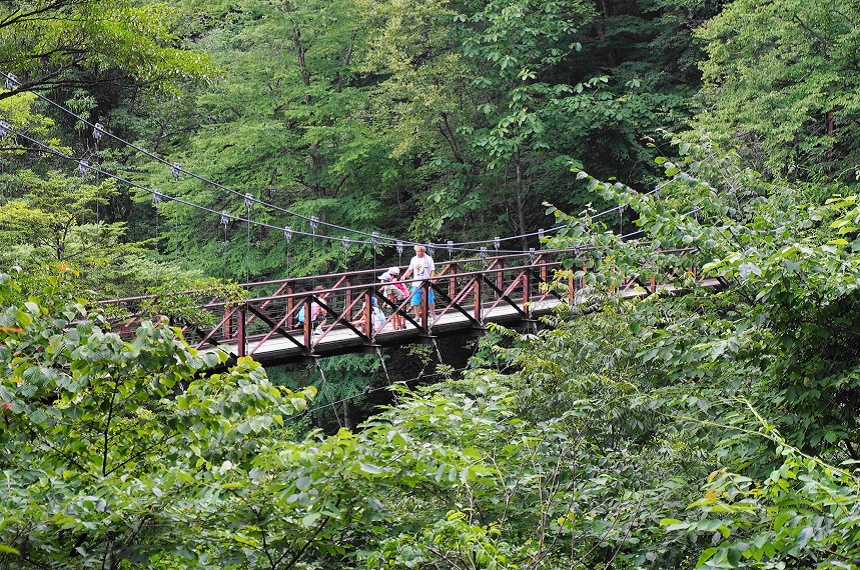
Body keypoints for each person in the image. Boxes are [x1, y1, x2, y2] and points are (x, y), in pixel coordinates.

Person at [401, 245, 435, 324]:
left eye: (419, 251)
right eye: (416, 251)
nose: (417, 253)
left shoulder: (428, 259)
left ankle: (432, 313)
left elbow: (432, 271)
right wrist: (404, 276)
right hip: (416, 283)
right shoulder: (414, 259)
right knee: (415, 301)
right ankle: (417, 316)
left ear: (423, 251)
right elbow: (410, 270)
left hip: (426, 283)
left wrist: (431, 282)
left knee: (430, 299)